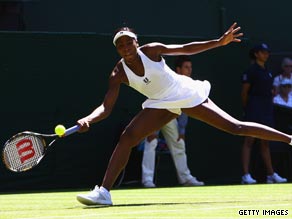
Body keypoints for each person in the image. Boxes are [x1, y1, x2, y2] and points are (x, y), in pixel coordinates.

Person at [76, 23, 292, 206]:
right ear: (117, 49)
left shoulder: (151, 50)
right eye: (120, 45)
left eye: (128, 42)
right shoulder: (118, 73)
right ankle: (104, 192)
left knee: (235, 127)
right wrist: (88, 119)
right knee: (128, 137)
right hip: (160, 103)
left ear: (136, 42)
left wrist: (219, 42)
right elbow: (106, 108)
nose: (125, 47)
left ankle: (289, 139)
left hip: (184, 93)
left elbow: (185, 49)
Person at [141, 55, 204, 188]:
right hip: (157, 112)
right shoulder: (168, 78)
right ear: (178, 69)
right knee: (151, 142)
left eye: (190, 67)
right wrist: (153, 128)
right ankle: (147, 179)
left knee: (179, 144)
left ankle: (185, 178)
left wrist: (182, 130)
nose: (189, 70)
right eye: (186, 67)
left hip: (171, 116)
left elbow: (185, 107)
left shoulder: (188, 82)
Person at [241, 43, 287, 184]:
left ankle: (270, 174)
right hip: (254, 109)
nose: (266, 54)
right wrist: (247, 109)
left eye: (267, 52)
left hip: (266, 109)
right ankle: (246, 175)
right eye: (263, 52)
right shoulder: (251, 70)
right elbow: (244, 93)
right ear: (256, 54)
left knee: (265, 142)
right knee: (249, 141)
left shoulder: (268, 70)